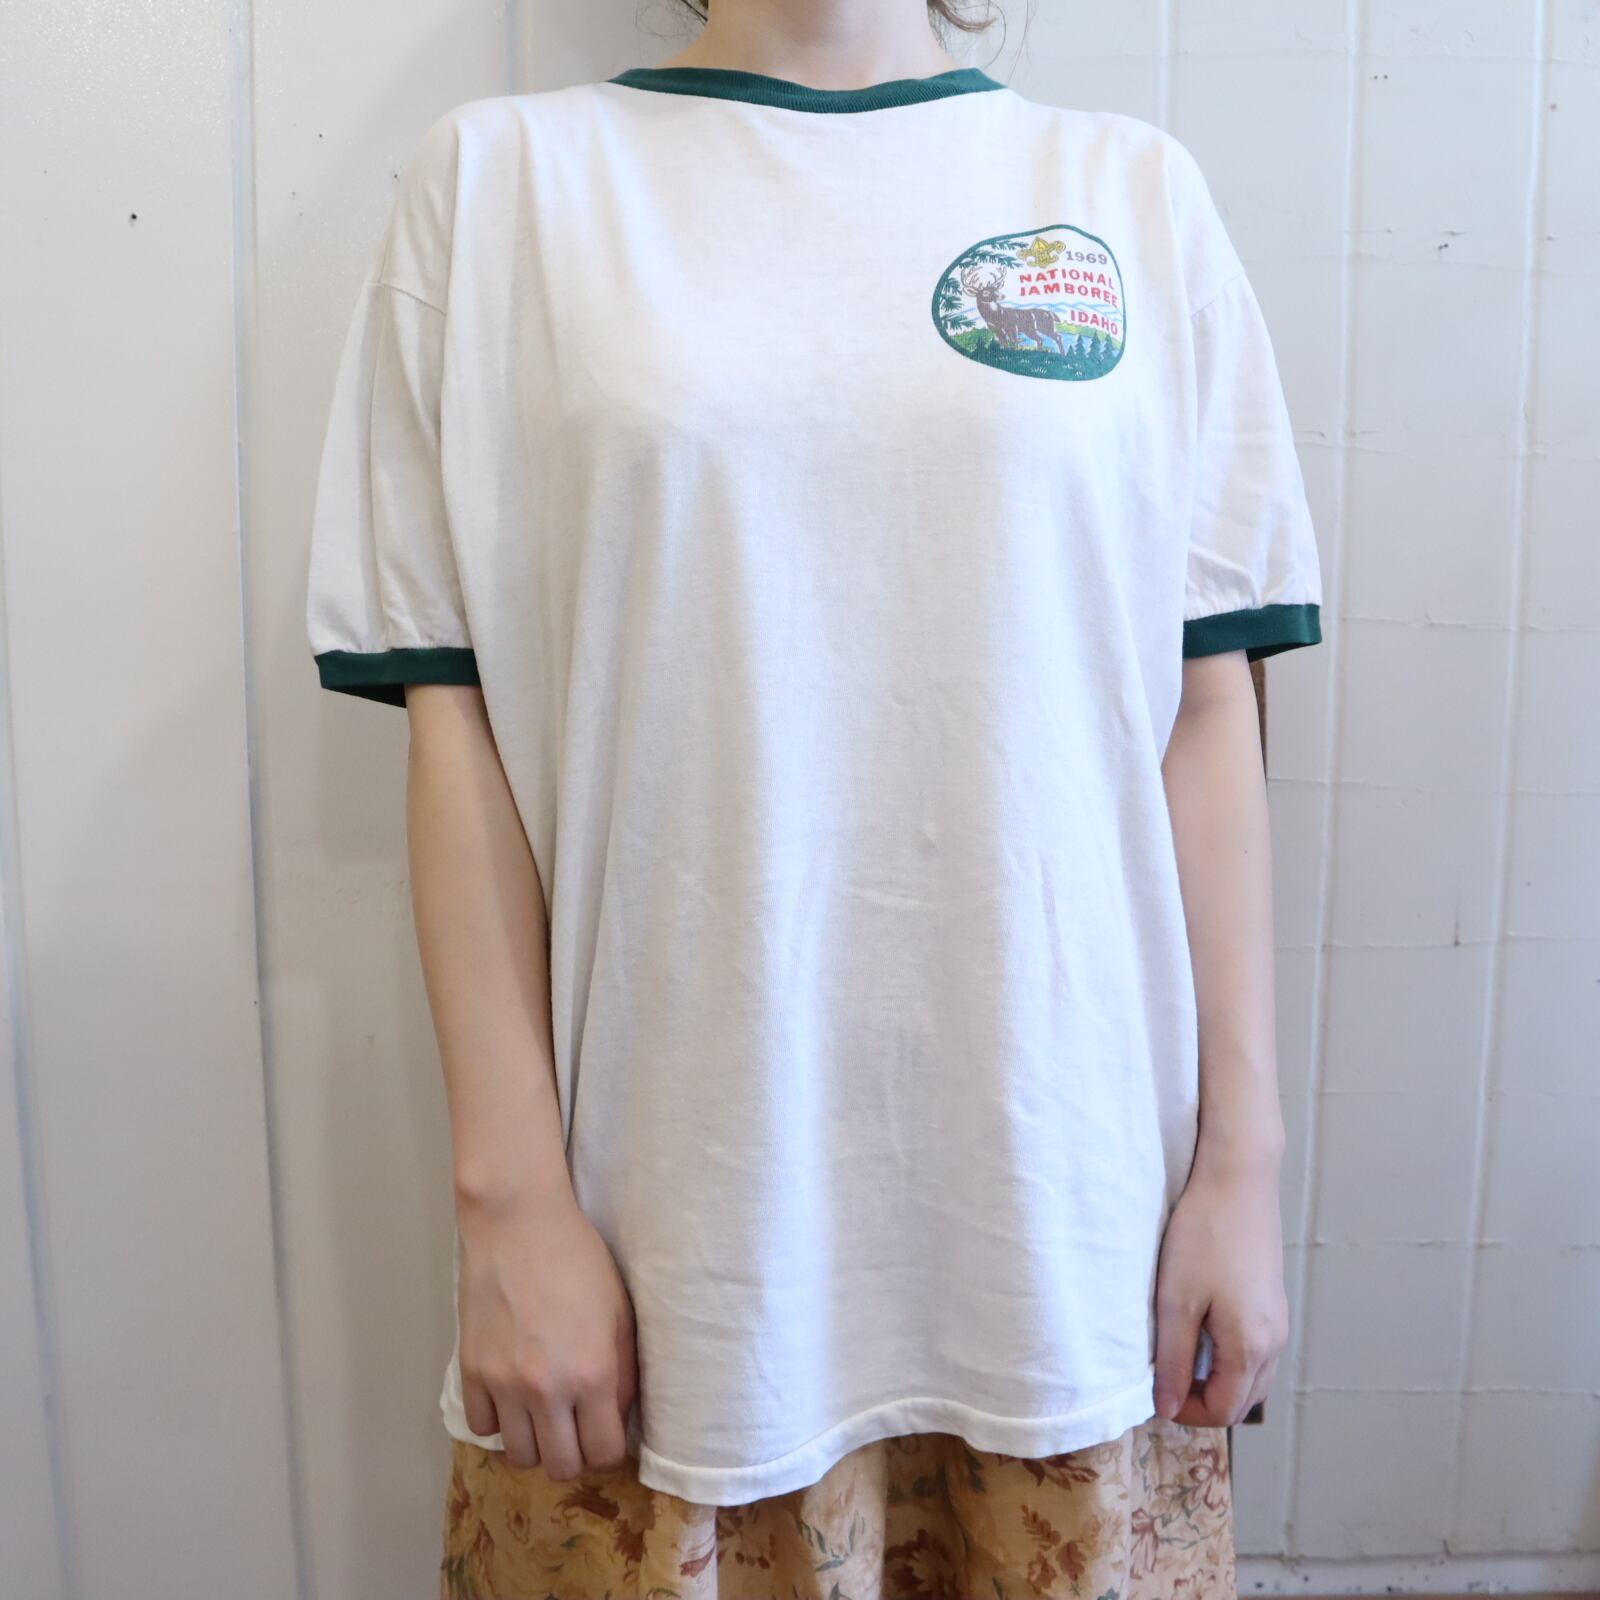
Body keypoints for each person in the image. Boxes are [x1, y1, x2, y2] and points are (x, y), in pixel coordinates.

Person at [304, 0, 1323, 1593]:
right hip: (676, 1265)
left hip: (1069, 1244)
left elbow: (1206, 712)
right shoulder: (507, 189)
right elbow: (461, 732)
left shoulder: (1128, 192)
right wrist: (508, 1207)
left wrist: (1243, 1170)